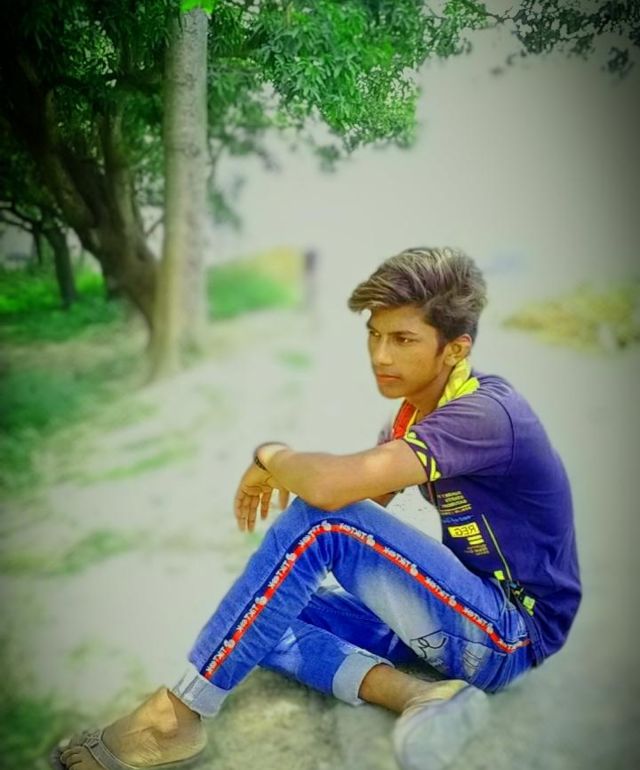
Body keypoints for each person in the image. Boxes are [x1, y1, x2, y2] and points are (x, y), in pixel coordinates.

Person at [52, 247, 581, 770]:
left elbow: (330, 498)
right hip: (464, 614)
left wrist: (270, 455)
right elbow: (358, 502)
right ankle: (416, 695)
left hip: (512, 633)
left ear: (454, 350)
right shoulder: (410, 419)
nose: (381, 356)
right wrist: (302, 499)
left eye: (402, 340)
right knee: (263, 614)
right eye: (374, 335)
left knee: (317, 522)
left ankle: (176, 718)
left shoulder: (486, 415)